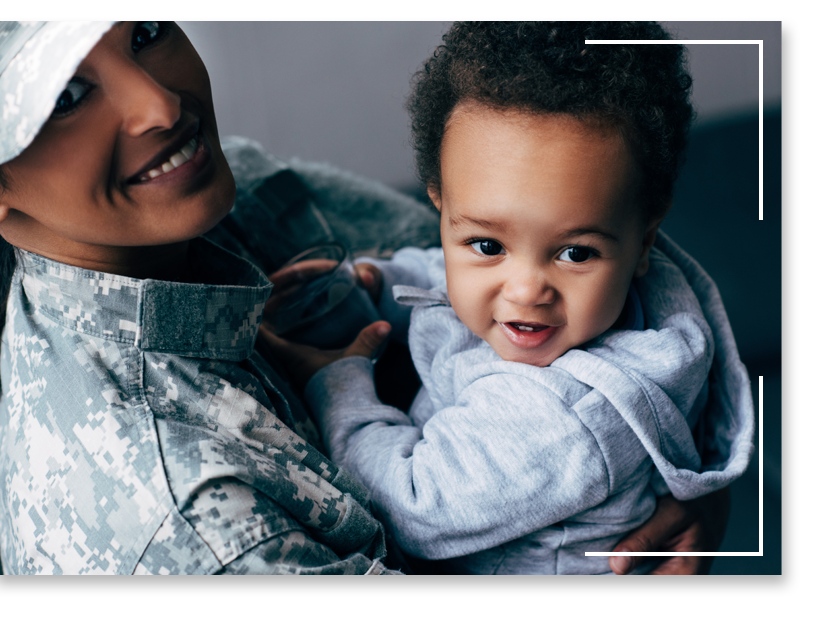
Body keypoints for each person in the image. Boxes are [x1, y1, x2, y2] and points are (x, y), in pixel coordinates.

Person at [0, 21, 737, 575]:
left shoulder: (228, 185)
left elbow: (497, 246)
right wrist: (339, 378)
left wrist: (686, 458)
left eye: (148, 30)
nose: (161, 104)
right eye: (66, 96)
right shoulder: (193, 528)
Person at [260, 21, 754, 574]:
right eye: (489, 244)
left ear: (644, 241)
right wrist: (382, 278)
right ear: (441, 209)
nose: (524, 291)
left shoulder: (567, 416)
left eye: (575, 254)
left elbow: (413, 504)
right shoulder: (616, 282)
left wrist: (338, 381)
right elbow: (447, 272)